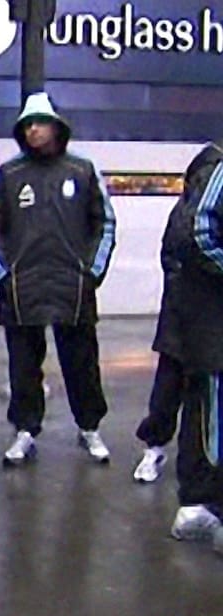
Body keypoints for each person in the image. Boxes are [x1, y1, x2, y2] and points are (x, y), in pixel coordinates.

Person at [0, 92, 117, 467]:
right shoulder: (9, 175)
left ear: (56, 127)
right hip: (22, 289)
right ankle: (25, 430)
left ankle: (90, 427)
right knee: (23, 365)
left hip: (72, 287)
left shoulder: (82, 171)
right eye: (28, 124)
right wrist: (2, 275)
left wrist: (91, 273)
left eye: (39, 122)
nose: (33, 129)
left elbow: (104, 222)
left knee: (83, 362)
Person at [159, 142, 223, 545]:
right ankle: (203, 502)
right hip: (210, 321)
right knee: (210, 405)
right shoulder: (217, 176)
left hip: (201, 321)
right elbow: (197, 231)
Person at [132, 213, 185, 483]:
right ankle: (155, 447)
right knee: (170, 385)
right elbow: (171, 255)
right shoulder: (193, 205)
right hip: (186, 314)